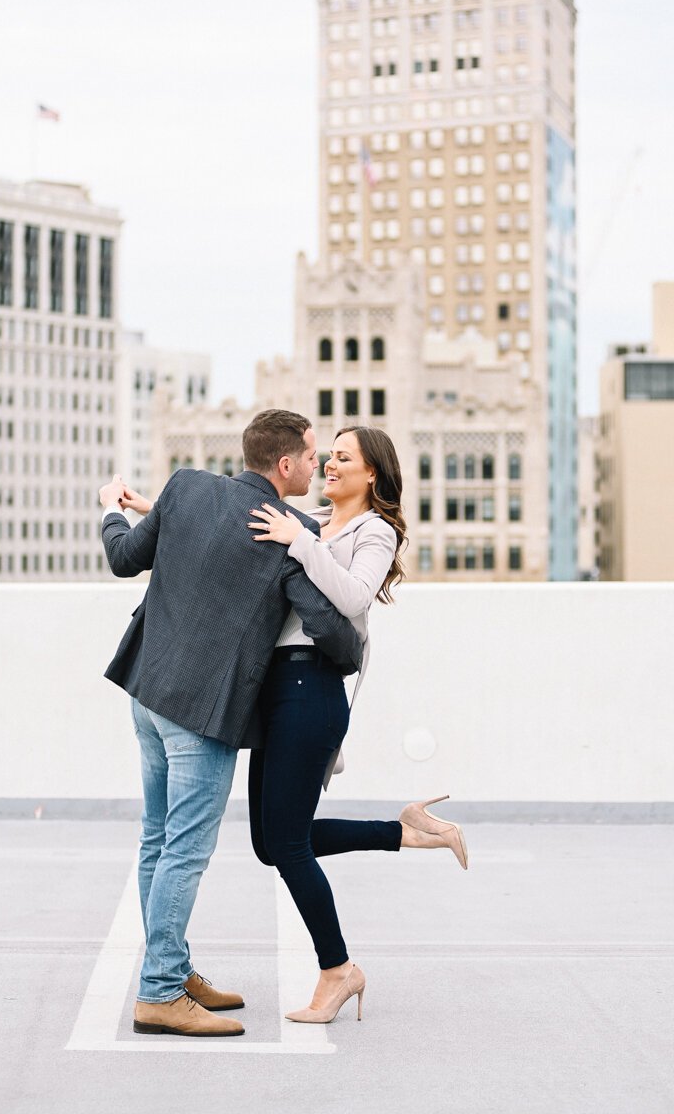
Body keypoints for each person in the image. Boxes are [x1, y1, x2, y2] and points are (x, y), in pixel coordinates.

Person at [98, 409, 363, 1038]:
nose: (317, 464)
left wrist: (114, 506)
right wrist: (353, 656)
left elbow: (121, 557)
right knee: (184, 851)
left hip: (148, 691)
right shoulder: (287, 528)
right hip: (203, 713)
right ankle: (160, 991)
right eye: (311, 455)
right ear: (284, 465)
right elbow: (324, 624)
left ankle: (172, 967)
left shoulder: (186, 487)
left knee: (157, 841)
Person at [245, 426, 468, 1025]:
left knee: (288, 846)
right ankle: (406, 832)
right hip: (274, 689)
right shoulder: (315, 519)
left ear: (372, 474)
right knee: (269, 843)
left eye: (344, 457)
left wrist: (300, 541)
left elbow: (350, 597)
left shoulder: (375, 530)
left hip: (312, 687)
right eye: (330, 455)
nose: (331, 465)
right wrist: (150, 510)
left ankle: (338, 970)